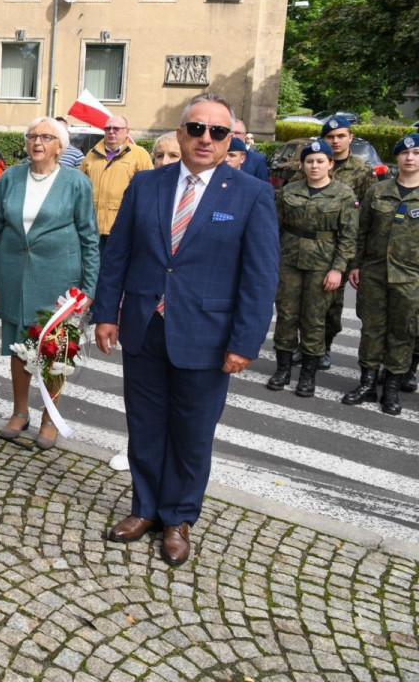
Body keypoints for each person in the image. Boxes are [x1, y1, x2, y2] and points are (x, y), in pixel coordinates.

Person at [94, 92, 278, 566]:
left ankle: (178, 518)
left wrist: (245, 341)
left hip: (207, 335)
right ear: (180, 133)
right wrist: (106, 313)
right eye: (196, 128)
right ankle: (145, 508)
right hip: (144, 326)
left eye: (218, 131)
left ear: (229, 139)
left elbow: (260, 277)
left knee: (192, 433)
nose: (205, 138)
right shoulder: (146, 183)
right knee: (145, 424)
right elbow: (118, 254)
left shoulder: (251, 193)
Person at [0, 116, 99, 449]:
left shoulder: (76, 182)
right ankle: (19, 411)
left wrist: (89, 287)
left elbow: (89, 237)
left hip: (59, 279)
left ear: (60, 146)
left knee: (55, 349)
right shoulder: (10, 177)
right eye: (32, 136)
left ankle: (50, 417)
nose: (37, 142)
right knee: (18, 346)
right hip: (13, 274)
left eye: (46, 137)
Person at [266, 141, 356, 396]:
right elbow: (275, 227)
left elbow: (348, 236)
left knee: (314, 319)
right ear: (302, 165)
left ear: (331, 164)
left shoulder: (344, 194)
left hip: (322, 265)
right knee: (286, 316)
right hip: (289, 261)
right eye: (309, 161)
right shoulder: (289, 191)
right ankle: (283, 369)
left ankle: (307, 375)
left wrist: (338, 269)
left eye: (320, 161)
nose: (314, 166)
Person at [343, 133, 419, 415]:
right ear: (397, 157)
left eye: (416, 153)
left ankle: (391, 389)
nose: (410, 158)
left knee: (403, 332)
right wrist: (355, 264)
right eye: (405, 153)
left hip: (411, 277)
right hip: (374, 273)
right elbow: (361, 231)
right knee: (371, 329)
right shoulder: (377, 191)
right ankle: (367, 383)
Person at [294, 115, 376, 371]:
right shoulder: (312, 162)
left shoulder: (362, 170)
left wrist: (356, 260)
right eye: (330, 137)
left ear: (351, 137)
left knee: (331, 305)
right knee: (303, 300)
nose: (336, 141)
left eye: (341, 136)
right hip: (308, 248)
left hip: (342, 247)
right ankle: (305, 345)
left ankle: (324, 346)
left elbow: (366, 216)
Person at [79, 115, 152, 256]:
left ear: (127, 132)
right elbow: (80, 187)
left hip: (122, 227)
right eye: (108, 128)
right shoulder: (91, 155)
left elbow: (148, 190)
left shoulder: (139, 155)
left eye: (116, 128)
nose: (111, 132)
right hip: (93, 228)